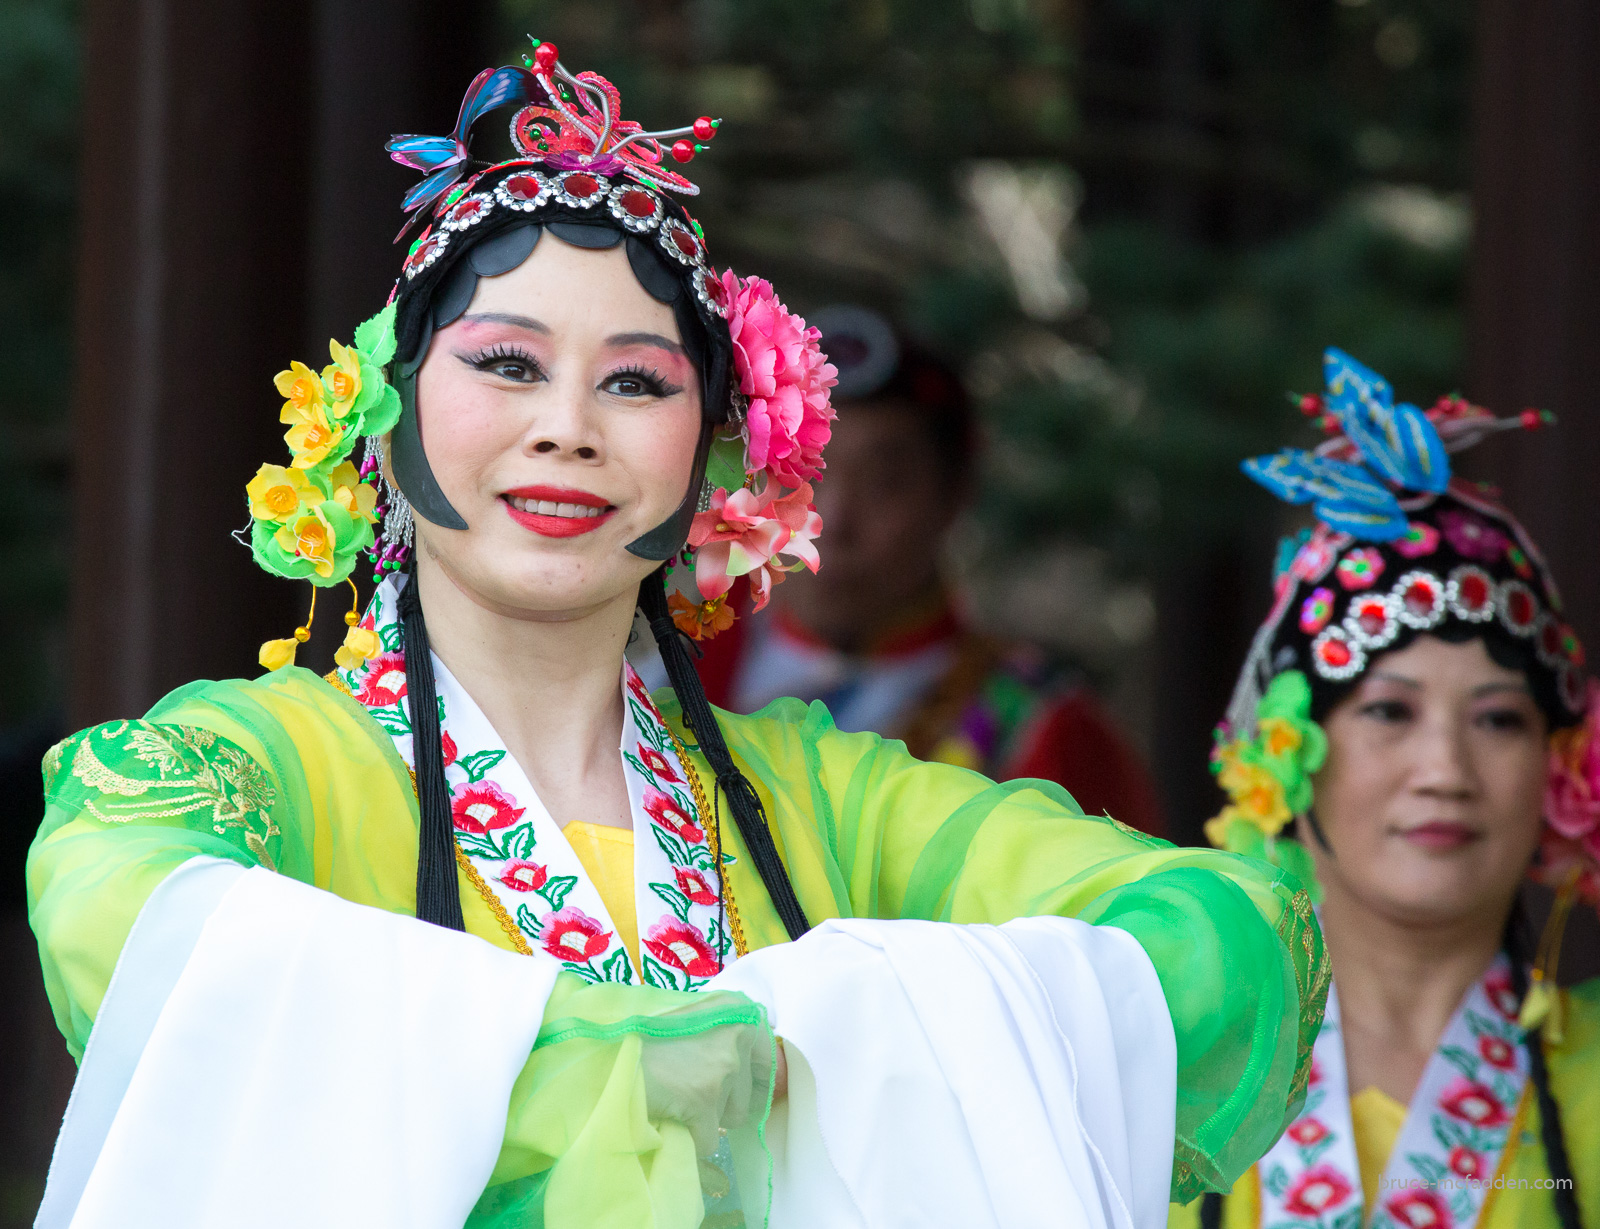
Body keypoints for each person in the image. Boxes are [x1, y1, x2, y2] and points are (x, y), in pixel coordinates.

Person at [30, 46, 1324, 1229]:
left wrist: (847, 1033)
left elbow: (1222, 939)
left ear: (713, 465)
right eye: (507, 363)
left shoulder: (820, 799)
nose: (570, 427)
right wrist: (611, 1056)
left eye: (638, 380)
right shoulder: (251, 768)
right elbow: (125, 915)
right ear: (380, 418)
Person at [1170, 350, 1600, 1229]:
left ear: (1558, 765)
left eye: (1499, 721)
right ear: (1285, 753)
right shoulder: (1165, 1062)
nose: (1444, 769)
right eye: (1389, 712)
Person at [685, 304, 1164, 836]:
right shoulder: (667, 672)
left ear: (954, 496)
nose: (831, 520)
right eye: (800, 472)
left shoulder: (1039, 727)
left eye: (886, 481)